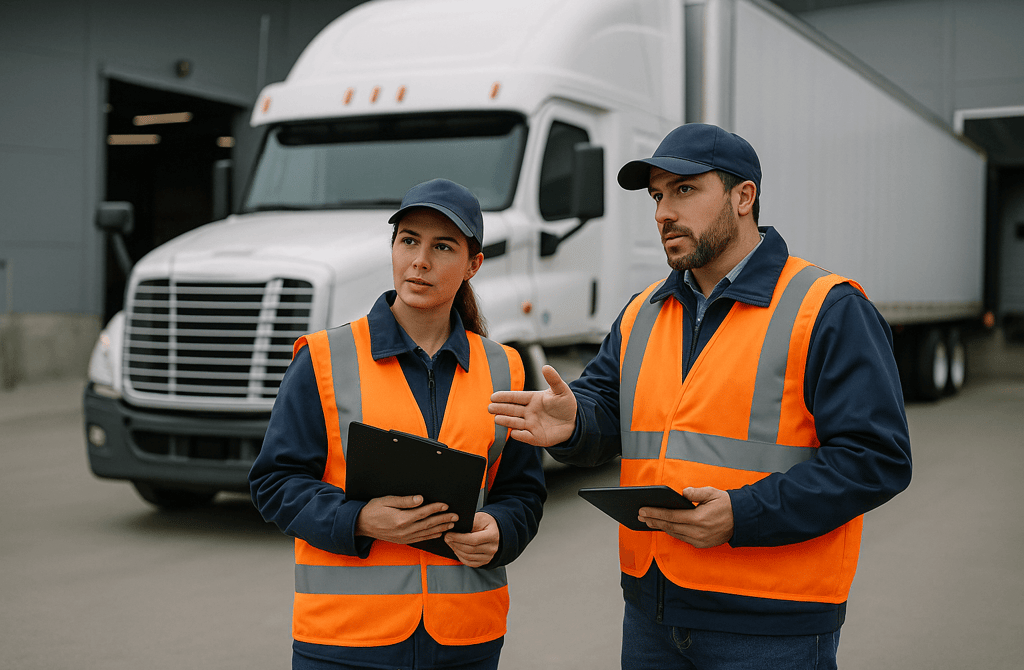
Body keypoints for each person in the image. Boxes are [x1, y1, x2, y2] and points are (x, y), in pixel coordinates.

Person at [488, 124, 912, 669]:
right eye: (658, 195)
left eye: (684, 190)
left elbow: (876, 460)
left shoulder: (827, 308)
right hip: (652, 615)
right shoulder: (643, 312)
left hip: (769, 625)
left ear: (743, 197)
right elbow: (603, 412)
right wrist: (573, 425)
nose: (664, 211)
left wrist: (744, 514)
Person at [250, 178, 546, 670]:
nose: (420, 261)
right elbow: (275, 482)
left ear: (473, 265)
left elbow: (524, 492)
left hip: (464, 639)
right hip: (346, 641)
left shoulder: (505, 369)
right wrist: (361, 520)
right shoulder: (324, 359)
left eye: (443, 247)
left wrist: (502, 529)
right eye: (408, 240)